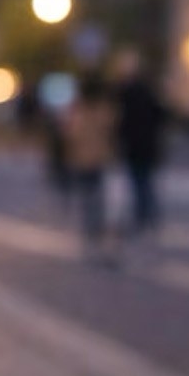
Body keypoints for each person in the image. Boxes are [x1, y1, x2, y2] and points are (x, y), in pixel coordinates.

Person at [112, 50, 169, 236]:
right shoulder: (149, 92)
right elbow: (161, 116)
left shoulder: (125, 93)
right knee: (144, 182)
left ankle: (144, 215)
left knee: (139, 182)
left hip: (135, 145)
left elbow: (119, 121)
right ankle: (148, 215)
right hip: (147, 145)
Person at [62, 88, 117, 259]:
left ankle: (90, 230)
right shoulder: (104, 111)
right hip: (99, 159)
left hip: (83, 159)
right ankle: (96, 229)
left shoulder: (79, 112)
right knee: (97, 198)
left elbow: (71, 133)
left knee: (87, 198)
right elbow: (112, 129)